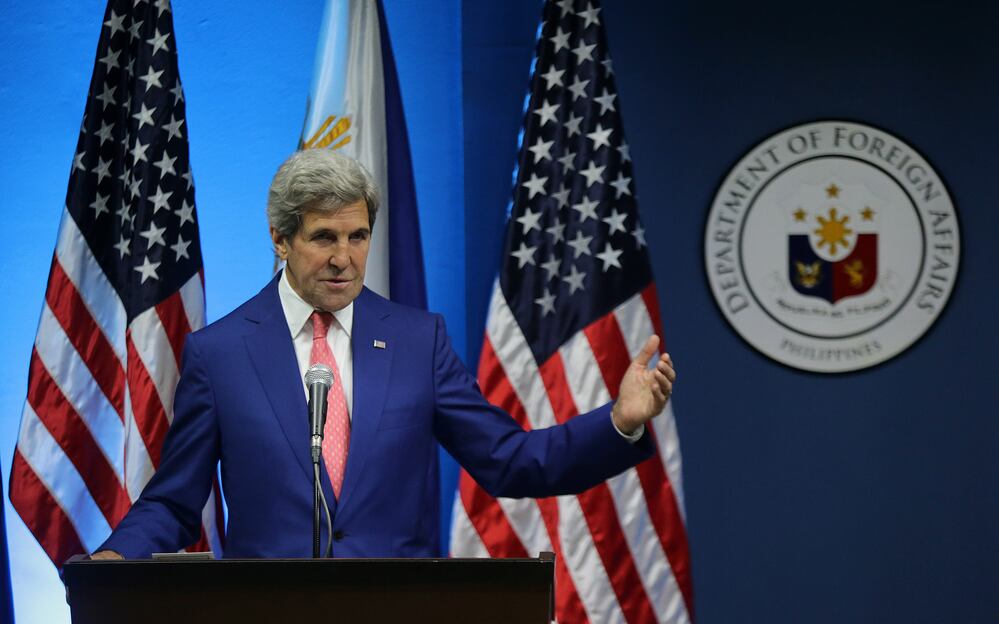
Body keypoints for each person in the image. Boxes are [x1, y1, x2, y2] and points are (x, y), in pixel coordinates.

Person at [93, 149, 676, 559]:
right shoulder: (219, 353)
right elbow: (174, 500)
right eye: (324, 238)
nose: (344, 258)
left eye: (358, 236)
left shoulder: (418, 341)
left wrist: (619, 423)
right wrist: (117, 557)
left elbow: (510, 460)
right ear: (280, 239)